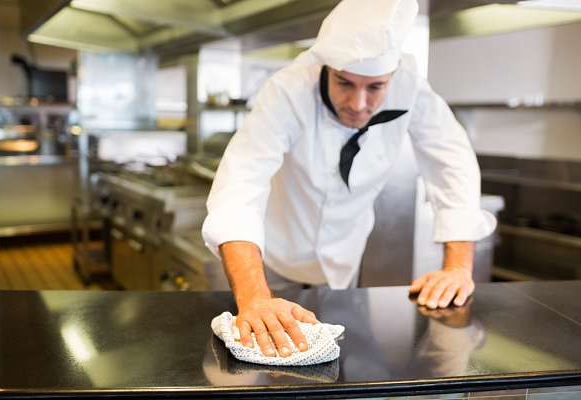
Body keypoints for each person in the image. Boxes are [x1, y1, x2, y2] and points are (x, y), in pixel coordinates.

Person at [202, 0, 496, 358]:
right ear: (326, 67)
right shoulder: (287, 90)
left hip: (343, 264)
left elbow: (453, 160)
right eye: (344, 82)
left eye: (375, 87)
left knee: (340, 364)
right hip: (271, 262)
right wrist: (255, 298)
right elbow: (241, 181)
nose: (358, 103)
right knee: (260, 367)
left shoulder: (410, 86)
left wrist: (457, 267)